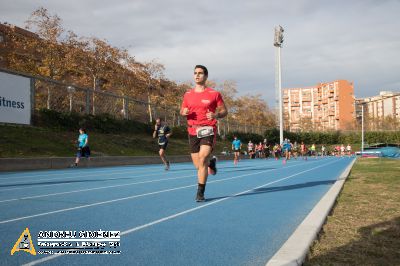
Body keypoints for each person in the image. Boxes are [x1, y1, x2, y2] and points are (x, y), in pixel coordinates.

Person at [180, 65, 227, 202]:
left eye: (200, 73)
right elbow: (182, 110)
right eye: (195, 73)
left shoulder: (214, 94)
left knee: (202, 158)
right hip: (192, 130)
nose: (197, 75)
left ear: (206, 76)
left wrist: (216, 114)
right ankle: (211, 163)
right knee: (198, 165)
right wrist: (184, 112)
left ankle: (200, 192)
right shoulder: (188, 94)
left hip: (208, 129)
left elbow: (224, 111)